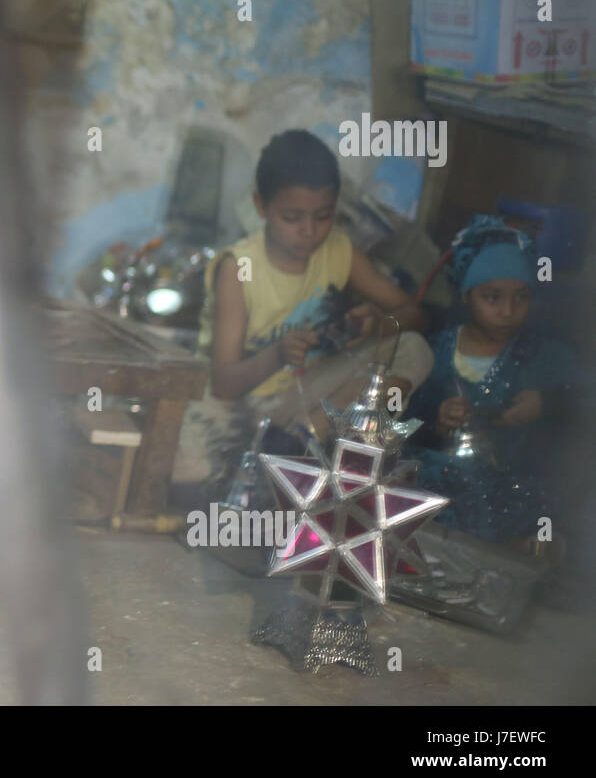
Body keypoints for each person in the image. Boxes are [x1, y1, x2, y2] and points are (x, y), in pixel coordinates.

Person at [173, 130, 432, 493]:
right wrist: (278, 353)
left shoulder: (341, 251)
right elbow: (225, 384)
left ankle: (313, 439)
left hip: (307, 397)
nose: (309, 231)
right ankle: (295, 451)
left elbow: (415, 315)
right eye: (292, 217)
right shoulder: (239, 268)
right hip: (240, 404)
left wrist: (377, 324)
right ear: (261, 206)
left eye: (323, 216)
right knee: (187, 467)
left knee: (413, 347)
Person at [406, 215, 577, 546]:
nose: (508, 311)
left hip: (509, 489)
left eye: (521, 297)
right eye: (492, 298)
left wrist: (548, 403)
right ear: (467, 296)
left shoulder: (544, 357)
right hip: (436, 481)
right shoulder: (434, 352)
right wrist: (437, 424)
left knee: (539, 522)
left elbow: (585, 401)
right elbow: (403, 420)